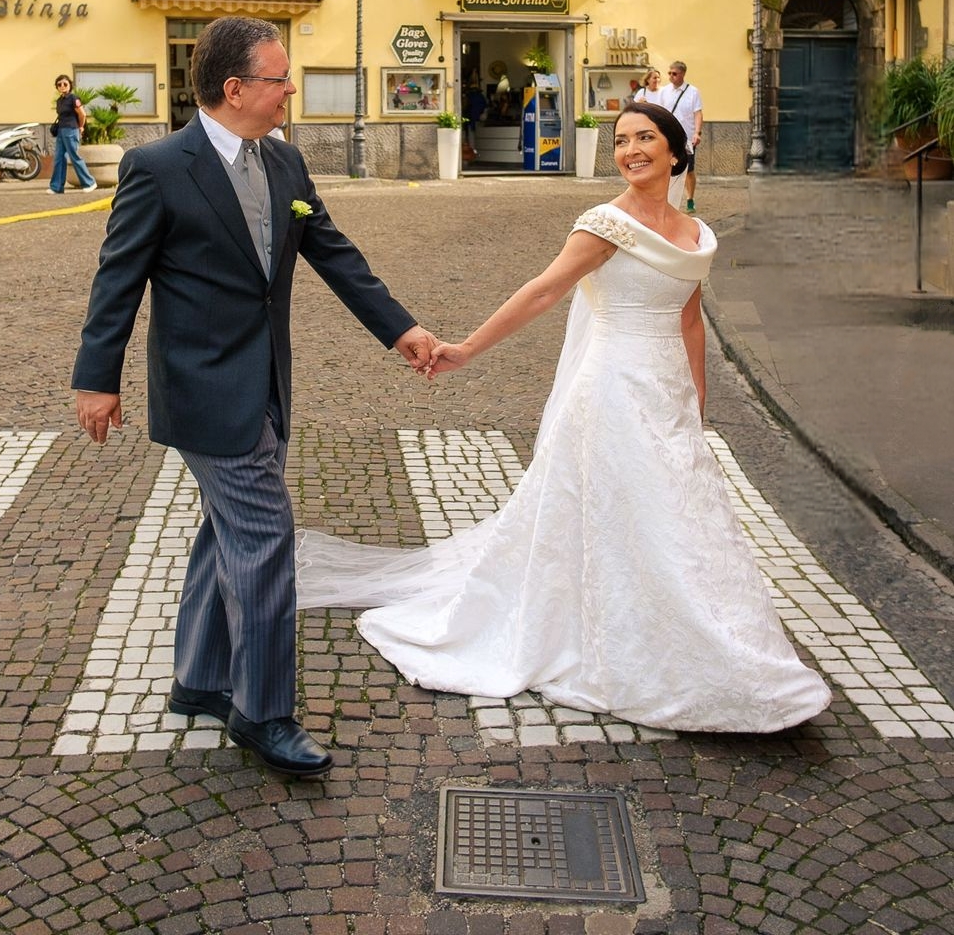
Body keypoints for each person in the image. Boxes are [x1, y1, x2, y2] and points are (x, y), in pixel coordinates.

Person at [296, 101, 830, 734]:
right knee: (623, 510)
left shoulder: (695, 232)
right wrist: (464, 349)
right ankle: (619, 640)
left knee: (675, 512)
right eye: (622, 140)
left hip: (664, 394)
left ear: (676, 148)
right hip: (608, 387)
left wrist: (695, 409)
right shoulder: (606, 223)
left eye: (645, 138)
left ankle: (695, 635)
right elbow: (544, 291)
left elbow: (689, 321)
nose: (631, 150)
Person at [72, 18, 436, 777]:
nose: (290, 90)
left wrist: (399, 330)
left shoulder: (286, 165)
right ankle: (262, 713)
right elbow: (119, 280)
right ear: (235, 89)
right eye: (279, 78)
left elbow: (335, 255)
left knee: (226, 532)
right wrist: (96, 378)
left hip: (266, 378)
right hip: (204, 389)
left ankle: (200, 680)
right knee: (266, 541)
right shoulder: (158, 166)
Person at [659, 59, 703, 213]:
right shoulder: (664, 91)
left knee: (689, 169)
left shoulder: (693, 92)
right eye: (669, 73)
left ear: (683, 74)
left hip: (687, 138)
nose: (671, 76)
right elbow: (659, 112)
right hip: (668, 136)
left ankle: (690, 199)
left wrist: (697, 132)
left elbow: (697, 113)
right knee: (666, 168)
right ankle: (668, 199)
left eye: (674, 73)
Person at [49, 75, 98, 195]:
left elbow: (82, 114)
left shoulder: (73, 98)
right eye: (59, 84)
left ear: (70, 85)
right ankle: (57, 187)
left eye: (65, 84)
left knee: (74, 157)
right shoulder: (60, 101)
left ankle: (90, 183)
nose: (62, 86)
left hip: (71, 130)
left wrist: (81, 127)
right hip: (61, 130)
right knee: (59, 158)